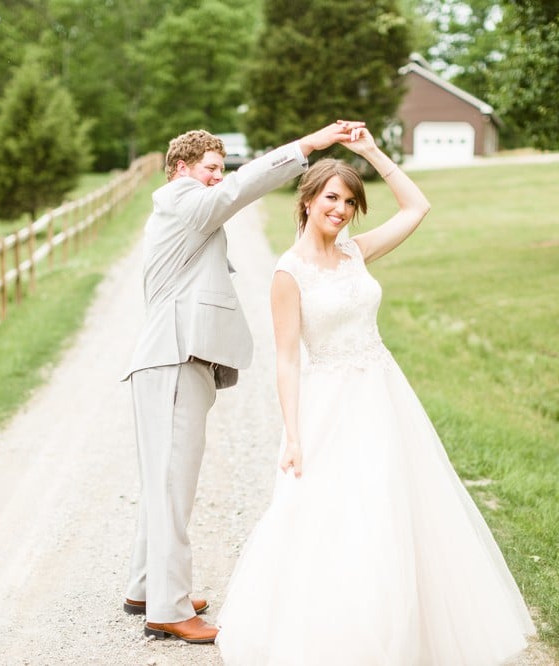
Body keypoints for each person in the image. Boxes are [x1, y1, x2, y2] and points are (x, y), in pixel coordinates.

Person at [215, 128, 537, 664]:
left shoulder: (356, 254)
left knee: (393, 509)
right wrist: (293, 435)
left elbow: (417, 206)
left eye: (349, 201)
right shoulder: (287, 274)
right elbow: (289, 360)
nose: (341, 209)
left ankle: (405, 637)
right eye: (331, 198)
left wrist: (369, 153)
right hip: (329, 406)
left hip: (383, 397)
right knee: (336, 519)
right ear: (308, 200)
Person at [121, 121, 366, 645]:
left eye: (220, 167)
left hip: (173, 362)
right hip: (172, 359)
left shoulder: (185, 210)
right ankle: (168, 608)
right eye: (209, 167)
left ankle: (146, 586)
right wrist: (307, 146)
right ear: (180, 170)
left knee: (161, 483)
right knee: (171, 485)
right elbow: (237, 190)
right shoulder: (181, 200)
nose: (218, 177)